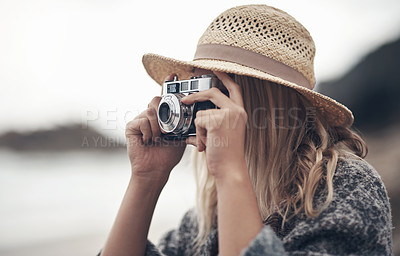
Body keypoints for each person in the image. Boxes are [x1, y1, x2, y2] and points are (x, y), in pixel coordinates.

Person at [99, 4, 393, 256]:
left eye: (206, 93)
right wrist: (146, 179)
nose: (193, 108)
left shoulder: (347, 187)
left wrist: (229, 172)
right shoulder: (208, 215)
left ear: (258, 100)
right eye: (191, 90)